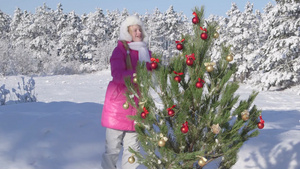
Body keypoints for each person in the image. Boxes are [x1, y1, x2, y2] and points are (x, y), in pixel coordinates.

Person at [101, 15, 152, 169]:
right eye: (134, 30)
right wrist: (138, 75)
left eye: (140, 30)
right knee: (112, 150)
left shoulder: (146, 52)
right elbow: (117, 74)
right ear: (127, 32)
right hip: (118, 106)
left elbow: (152, 75)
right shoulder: (120, 50)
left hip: (138, 108)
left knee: (133, 152)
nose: (138, 33)